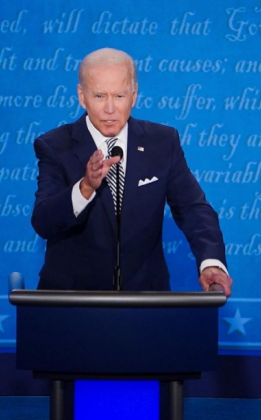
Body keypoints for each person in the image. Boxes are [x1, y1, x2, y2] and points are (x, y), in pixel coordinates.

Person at [31, 47, 232, 296]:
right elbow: (43, 222)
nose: (110, 108)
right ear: (82, 97)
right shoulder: (55, 146)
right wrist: (85, 188)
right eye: (99, 96)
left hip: (145, 299)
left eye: (119, 96)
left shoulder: (162, 142)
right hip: (72, 300)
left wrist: (211, 262)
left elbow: (192, 208)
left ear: (134, 95)